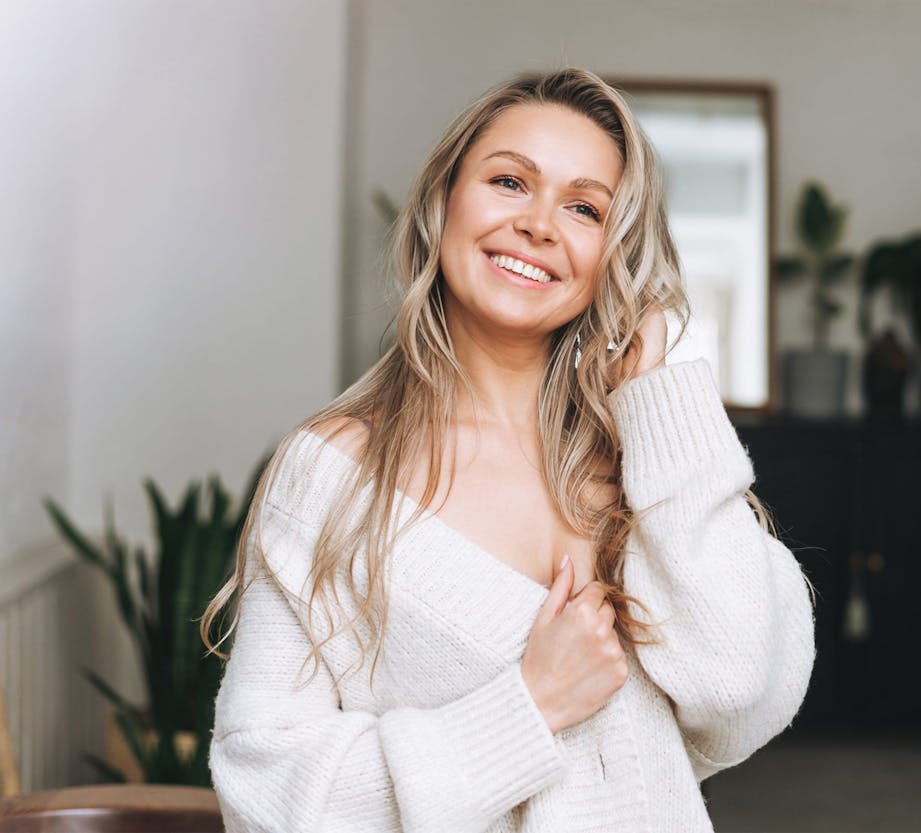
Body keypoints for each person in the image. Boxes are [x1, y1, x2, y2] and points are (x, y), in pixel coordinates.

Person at [200, 67, 816, 833]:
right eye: (509, 182)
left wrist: (656, 393)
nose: (539, 225)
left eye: (585, 207)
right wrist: (526, 707)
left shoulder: (645, 461)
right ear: (444, 201)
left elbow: (736, 684)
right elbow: (263, 789)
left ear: (611, 256)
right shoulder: (332, 473)